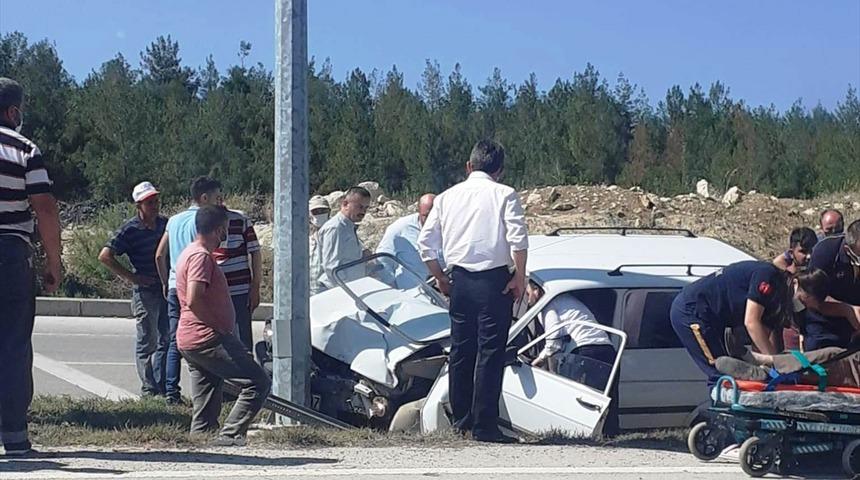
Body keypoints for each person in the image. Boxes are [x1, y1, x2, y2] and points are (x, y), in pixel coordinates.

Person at [418, 139, 528, 443]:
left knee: (461, 351)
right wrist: (519, 277)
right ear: (500, 170)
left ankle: (462, 421)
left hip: (461, 281)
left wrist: (440, 277)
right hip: (495, 282)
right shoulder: (505, 194)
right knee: (490, 353)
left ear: (469, 166)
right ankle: (485, 425)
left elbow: (426, 245)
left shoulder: (446, 197)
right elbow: (518, 240)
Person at [0, 78, 62, 456]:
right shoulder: (23, 148)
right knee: (12, 344)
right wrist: (53, 263)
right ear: (13, 111)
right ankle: (14, 436)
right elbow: (45, 209)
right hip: (10, 252)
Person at [175, 205, 271, 445]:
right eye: (226, 230)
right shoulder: (200, 256)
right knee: (257, 382)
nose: (226, 235)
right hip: (207, 337)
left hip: (191, 339)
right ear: (219, 230)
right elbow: (194, 297)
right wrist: (219, 326)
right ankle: (231, 434)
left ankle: (201, 443)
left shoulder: (188, 252)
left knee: (206, 400)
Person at [670, 261, 794, 387]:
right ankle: (721, 403)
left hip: (717, 320)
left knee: (738, 372)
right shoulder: (767, 275)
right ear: (795, 283)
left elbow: (760, 341)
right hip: (693, 311)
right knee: (720, 372)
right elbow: (751, 322)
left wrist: (768, 365)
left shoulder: (777, 303)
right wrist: (777, 362)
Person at [155, 176, 224, 403]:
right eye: (216, 198)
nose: (218, 202)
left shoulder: (173, 220)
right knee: (206, 337)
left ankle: (171, 391)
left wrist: (166, 281)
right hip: (196, 283)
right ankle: (209, 389)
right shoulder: (203, 221)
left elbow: (159, 254)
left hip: (176, 284)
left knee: (176, 338)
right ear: (204, 198)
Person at [98, 181, 168, 396]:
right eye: (149, 202)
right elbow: (105, 256)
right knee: (148, 340)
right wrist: (133, 278)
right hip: (145, 291)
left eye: (156, 201)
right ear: (139, 205)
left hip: (166, 288)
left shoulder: (166, 224)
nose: (154, 206)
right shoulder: (130, 229)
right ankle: (149, 388)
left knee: (167, 339)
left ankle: (162, 385)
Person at [526, 281, 619, 436]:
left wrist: (537, 361)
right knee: (609, 398)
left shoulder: (549, 305)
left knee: (580, 397)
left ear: (537, 290)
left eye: (528, 293)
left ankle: (579, 434)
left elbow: (553, 341)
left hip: (586, 351)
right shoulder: (567, 301)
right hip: (607, 349)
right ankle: (611, 435)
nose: (528, 299)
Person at [211, 207, 261, 352]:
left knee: (243, 340)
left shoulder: (240, 220)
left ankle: (245, 373)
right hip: (215, 291)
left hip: (240, 289)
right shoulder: (204, 221)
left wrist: (255, 286)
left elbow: (255, 252)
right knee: (219, 339)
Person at [376, 194, 441, 289]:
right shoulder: (400, 229)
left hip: (444, 292)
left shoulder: (449, 227)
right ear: (419, 211)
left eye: (434, 216)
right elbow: (383, 260)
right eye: (426, 216)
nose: (431, 220)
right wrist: (391, 288)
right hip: (412, 293)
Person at [313, 187, 371, 293]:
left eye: (366, 208)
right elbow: (331, 265)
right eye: (360, 207)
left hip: (350, 288)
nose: (363, 212)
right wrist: (348, 291)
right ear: (345, 204)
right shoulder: (336, 228)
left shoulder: (348, 227)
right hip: (335, 292)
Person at [308, 195, 330, 295]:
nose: (320, 214)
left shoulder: (336, 235)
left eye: (323, 211)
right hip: (309, 292)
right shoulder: (307, 240)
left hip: (328, 291)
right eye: (316, 212)